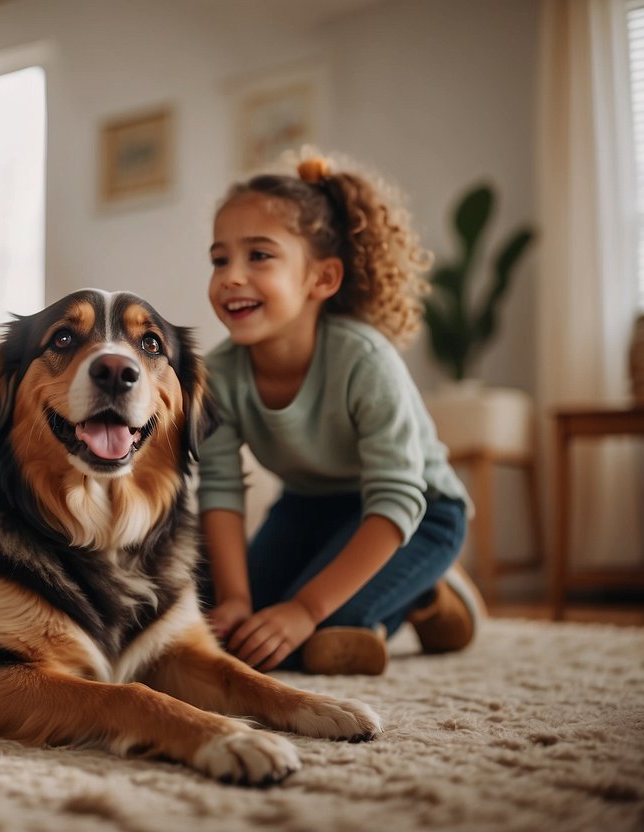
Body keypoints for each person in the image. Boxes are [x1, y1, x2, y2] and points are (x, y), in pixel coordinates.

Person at [198, 153, 481, 676]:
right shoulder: (216, 376)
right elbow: (218, 489)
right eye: (219, 260)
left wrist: (305, 610)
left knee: (317, 640)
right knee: (241, 630)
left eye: (259, 256)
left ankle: (431, 595)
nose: (231, 277)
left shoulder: (364, 360)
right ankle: (390, 599)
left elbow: (398, 496)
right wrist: (236, 598)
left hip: (419, 514)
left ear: (322, 279)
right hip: (309, 508)